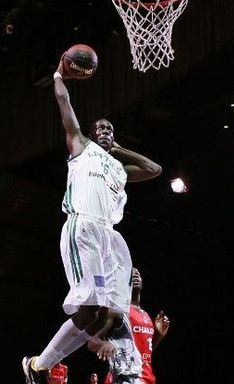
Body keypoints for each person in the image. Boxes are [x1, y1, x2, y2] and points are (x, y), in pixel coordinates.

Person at [22, 57, 162, 384]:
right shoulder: (80, 146)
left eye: (108, 129)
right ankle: (39, 366)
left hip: (105, 239)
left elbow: (154, 169)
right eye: (98, 127)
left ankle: (37, 367)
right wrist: (58, 73)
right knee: (93, 311)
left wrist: (120, 149)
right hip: (82, 227)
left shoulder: (117, 169)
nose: (102, 131)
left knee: (96, 317)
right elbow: (63, 102)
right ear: (90, 133)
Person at [91, 268, 170, 384]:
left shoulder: (146, 315)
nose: (136, 274)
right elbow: (91, 341)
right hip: (122, 379)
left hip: (146, 379)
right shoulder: (117, 311)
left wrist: (158, 335)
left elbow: (141, 355)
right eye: (130, 274)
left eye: (138, 273)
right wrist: (104, 344)